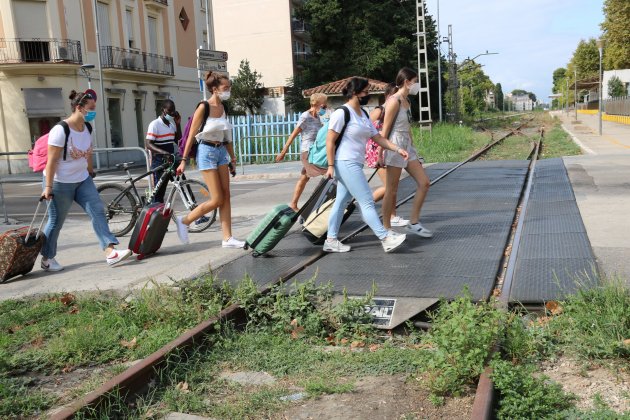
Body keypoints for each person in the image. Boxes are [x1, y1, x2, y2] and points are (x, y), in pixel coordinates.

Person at [40, 90, 132, 271]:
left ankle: (110, 252)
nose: (93, 112)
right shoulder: (60, 130)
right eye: (91, 108)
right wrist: (48, 187)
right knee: (56, 221)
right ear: (79, 108)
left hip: (82, 179)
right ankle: (47, 259)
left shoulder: (87, 128)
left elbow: (88, 152)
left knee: (97, 210)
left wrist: (90, 171)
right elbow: (51, 161)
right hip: (60, 182)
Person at [324, 77, 409, 253]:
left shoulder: (362, 114)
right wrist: (331, 166)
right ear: (355, 93)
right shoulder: (342, 113)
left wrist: (396, 148)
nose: (367, 94)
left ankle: (331, 240)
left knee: (341, 202)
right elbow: (330, 141)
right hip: (345, 162)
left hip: (354, 162)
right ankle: (385, 238)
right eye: (365, 92)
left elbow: (377, 137)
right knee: (367, 201)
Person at [176, 71, 245, 249]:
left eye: (229, 88)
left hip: (221, 151)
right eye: (225, 88)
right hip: (206, 151)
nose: (228, 90)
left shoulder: (223, 108)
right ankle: (184, 221)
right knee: (216, 199)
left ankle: (227, 238)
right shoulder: (203, 107)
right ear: (214, 89)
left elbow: (226, 135)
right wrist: (183, 160)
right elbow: (191, 133)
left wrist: (233, 157)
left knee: (226, 196)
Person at [381, 67, 432, 238]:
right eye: (415, 81)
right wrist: (382, 152)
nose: (417, 85)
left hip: (407, 146)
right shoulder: (393, 101)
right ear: (406, 82)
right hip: (394, 145)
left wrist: (414, 148)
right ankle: (386, 228)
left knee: (424, 182)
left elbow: (408, 127)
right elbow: (385, 129)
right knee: (392, 189)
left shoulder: (407, 101)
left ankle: (414, 222)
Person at [275, 93, 328, 211]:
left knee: (304, 177)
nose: (326, 107)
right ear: (317, 104)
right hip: (307, 151)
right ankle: (316, 204)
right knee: (328, 172)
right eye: (324, 105)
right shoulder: (305, 116)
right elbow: (293, 135)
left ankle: (293, 204)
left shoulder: (319, 117)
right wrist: (283, 152)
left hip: (316, 151)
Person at [365, 83, 408, 227]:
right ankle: (366, 205)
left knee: (393, 186)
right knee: (389, 187)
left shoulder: (397, 111)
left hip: (389, 149)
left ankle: (392, 215)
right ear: (388, 96)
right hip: (377, 150)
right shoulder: (380, 110)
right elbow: (365, 128)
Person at [145, 99, 181, 203]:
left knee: (183, 186)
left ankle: (196, 212)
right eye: (170, 111)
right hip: (159, 162)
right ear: (163, 110)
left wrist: (178, 124)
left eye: (173, 111)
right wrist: (164, 153)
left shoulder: (171, 125)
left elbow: (178, 139)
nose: (172, 113)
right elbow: (148, 144)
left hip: (171, 160)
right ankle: (156, 215)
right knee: (159, 194)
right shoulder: (155, 124)